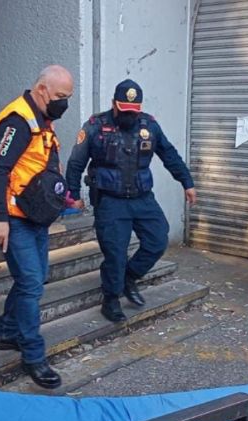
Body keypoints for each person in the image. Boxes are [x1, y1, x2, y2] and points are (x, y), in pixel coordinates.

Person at [66, 79, 197, 321]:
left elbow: (169, 155)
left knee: (158, 240)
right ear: (114, 105)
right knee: (115, 252)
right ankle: (111, 299)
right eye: (124, 110)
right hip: (110, 201)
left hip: (142, 198)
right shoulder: (95, 126)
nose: (129, 116)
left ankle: (129, 277)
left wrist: (186, 182)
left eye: (133, 111)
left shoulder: (149, 125)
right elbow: (76, 163)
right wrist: (72, 195)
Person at [0, 65, 74, 389]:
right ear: (41, 89)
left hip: (33, 215)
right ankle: (34, 355)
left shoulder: (42, 120)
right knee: (32, 282)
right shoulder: (18, 121)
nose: (64, 103)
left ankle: (6, 331)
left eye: (68, 98)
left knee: (32, 280)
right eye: (61, 97)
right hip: (13, 218)